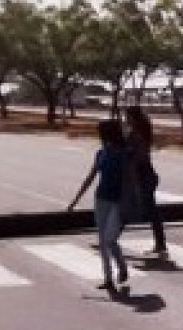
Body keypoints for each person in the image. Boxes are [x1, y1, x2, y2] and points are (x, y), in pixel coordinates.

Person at [67, 120, 133, 294]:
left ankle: (122, 266)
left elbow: (130, 180)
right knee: (103, 241)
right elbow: (90, 177)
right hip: (101, 199)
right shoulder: (101, 153)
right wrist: (76, 199)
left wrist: (129, 202)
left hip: (118, 201)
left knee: (110, 239)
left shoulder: (124, 154)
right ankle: (108, 279)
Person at [125, 105, 167, 253]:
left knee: (138, 208)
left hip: (142, 176)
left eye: (128, 116)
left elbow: (135, 160)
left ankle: (109, 237)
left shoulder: (134, 135)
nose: (126, 119)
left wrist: (134, 182)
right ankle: (160, 243)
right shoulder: (141, 133)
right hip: (146, 174)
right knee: (149, 210)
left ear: (134, 118)